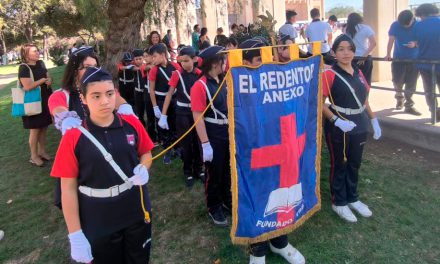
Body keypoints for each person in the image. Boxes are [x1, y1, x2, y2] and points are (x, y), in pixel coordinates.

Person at [51, 67, 154, 263]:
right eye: (96, 96)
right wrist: (75, 234)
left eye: (109, 94)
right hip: (97, 217)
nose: (105, 101)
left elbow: (146, 152)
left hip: (135, 210)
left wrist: (144, 167)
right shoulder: (74, 136)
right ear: (83, 98)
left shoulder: (131, 123)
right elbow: (68, 189)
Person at [238, 38, 306, 264]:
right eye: (260, 59)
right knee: (256, 196)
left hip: (279, 149)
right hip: (254, 154)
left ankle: (280, 242)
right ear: (246, 61)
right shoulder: (237, 84)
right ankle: (257, 249)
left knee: (281, 193)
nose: (267, 63)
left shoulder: (279, 78)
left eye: (269, 56)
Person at [322, 34, 382, 223]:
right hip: (339, 124)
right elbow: (318, 103)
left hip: (360, 122)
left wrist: (373, 119)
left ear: (354, 51)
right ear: (334, 52)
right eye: (341, 49)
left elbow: (364, 99)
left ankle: (352, 197)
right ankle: (339, 201)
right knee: (340, 163)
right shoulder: (329, 74)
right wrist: (335, 121)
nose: (346, 53)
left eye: (349, 49)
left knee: (354, 163)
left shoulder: (359, 72)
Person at [190, 45, 231, 227]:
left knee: (227, 169)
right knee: (214, 171)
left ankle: (226, 199)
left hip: (227, 131)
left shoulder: (223, 79)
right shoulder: (200, 86)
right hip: (212, 134)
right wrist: (205, 143)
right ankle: (214, 206)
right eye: (224, 59)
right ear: (215, 62)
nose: (226, 63)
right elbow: (197, 116)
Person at [161, 46, 203, 187]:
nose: (184, 64)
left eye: (187, 60)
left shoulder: (199, 74)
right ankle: (187, 171)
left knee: (198, 142)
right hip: (182, 114)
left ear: (195, 59)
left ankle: (198, 169)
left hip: (196, 113)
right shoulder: (176, 74)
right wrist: (163, 114)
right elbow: (169, 93)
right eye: (181, 61)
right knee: (186, 144)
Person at [18, 43, 53, 167]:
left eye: (38, 50)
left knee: (44, 127)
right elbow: (27, 86)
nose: (38, 52)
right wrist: (42, 81)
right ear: (26, 54)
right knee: (35, 129)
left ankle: (42, 151)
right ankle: (33, 156)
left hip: (45, 99)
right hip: (32, 103)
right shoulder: (24, 68)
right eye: (34, 51)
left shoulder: (41, 64)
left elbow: (48, 77)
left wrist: (49, 80)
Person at [148, 44, 182, 164]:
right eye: (152, 57)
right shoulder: (154, 70)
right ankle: (167, 150)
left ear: (163, 55)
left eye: (154, 56)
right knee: (163, 127)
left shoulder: (175, 66)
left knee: (175, 124)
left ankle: (177, 147)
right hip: (161, 101)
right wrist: (155, 106)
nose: (153, 59)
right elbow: (151, 90)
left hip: (174, 99)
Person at [385, 10, 421, 115]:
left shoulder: (419, 25)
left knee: (411, 83)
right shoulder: (395, 25)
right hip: (398, 59)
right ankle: (399, 98)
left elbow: (423, 40)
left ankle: (409, 105)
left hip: (415, 59)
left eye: (407, 24)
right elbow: (391, 39)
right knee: (397, 81)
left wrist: (415, 44)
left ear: (412, 19)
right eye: (402, 24)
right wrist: (388, 53)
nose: (405, 26)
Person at [413, 3, 440, 121]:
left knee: (429, 90)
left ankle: (434, 112)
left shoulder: (417, 26)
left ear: (422, 14)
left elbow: (416, 43)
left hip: (425, 63)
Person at [345, 13, 376, 85]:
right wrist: (364, 56)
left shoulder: (347, 29)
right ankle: (365, 96)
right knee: (366, 82)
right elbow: (373, 43)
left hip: (351, 58)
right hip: (365, 58)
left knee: (353, 81)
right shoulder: (366, 28)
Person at [142, 48, 158, 143]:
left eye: (147, 56)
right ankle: (152, 137)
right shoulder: (145, 66)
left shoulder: (157, 66)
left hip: (157, 94)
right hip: (148, 95)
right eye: (144, 57)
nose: (145, 58)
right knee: (150, 116)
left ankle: (162, 137)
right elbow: (144, 68)